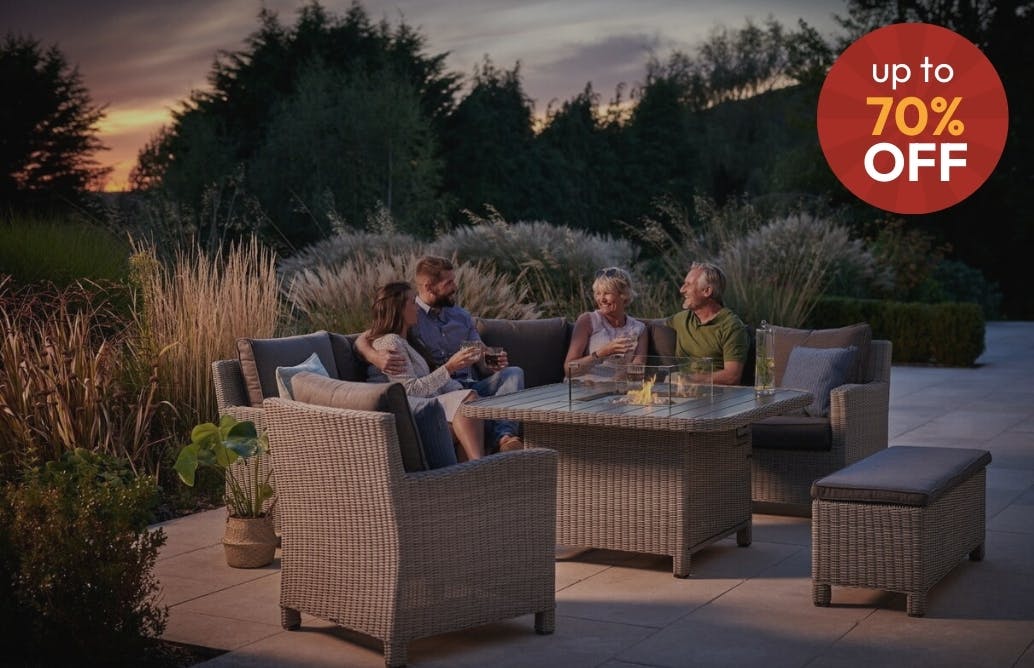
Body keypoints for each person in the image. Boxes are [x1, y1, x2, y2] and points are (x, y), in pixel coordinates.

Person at [357, 256, 525, 451]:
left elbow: (481, 354)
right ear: (429, 286)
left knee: (513, 373)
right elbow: (369, 336)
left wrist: (490, 362)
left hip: (467, 383)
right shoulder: (409, 314)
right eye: (449, 283)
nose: (455, 287)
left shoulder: (461, 316)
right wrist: (373, 356)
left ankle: (504, 437)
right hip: (439, 389)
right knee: (470, 400)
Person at [365, 282, 490, 461]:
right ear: (398, 308)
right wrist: (450, 367)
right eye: (412, 302)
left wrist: (463, 391)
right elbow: (410, 390)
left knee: (472, 404)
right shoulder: (390, 343)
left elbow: (437, 381)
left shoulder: (411, 341)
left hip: (431, 403)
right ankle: (480, 465)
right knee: (468, 403)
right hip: (412, 409)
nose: (417, 307)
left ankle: (469, 475)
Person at [666, 261, 748, 385]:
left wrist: (688, 379)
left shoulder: (731, 326)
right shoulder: (682, 319)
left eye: (688, 284)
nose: (682, 290)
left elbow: (732, 376)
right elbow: (649, 324)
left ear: (707, 291)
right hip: (683, 395)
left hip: (717, 398)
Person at [564, 267, 648, 379]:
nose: (601, 299)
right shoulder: (588, 320)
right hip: (583, 388)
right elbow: (569, 370)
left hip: (617, 390)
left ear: (623, 295)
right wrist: (602, 353)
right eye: (598, 293)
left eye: (607, 293)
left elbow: (638, 368)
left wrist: (623, 377)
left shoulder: (639, 329)